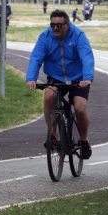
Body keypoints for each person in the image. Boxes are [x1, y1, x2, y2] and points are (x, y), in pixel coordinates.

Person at [26, 9, 95, 160]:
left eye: (59, 25)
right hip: (56, 77)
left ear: (67, 24)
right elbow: (36, 57)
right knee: (49, 96)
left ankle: (83, 141)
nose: (55, 28)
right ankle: (52, 135)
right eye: (53, 25)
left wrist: (88, 78)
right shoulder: (45, 36)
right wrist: (31, 78)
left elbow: (87, 57)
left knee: (79, 108)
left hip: (78, 79)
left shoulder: (78, 35)